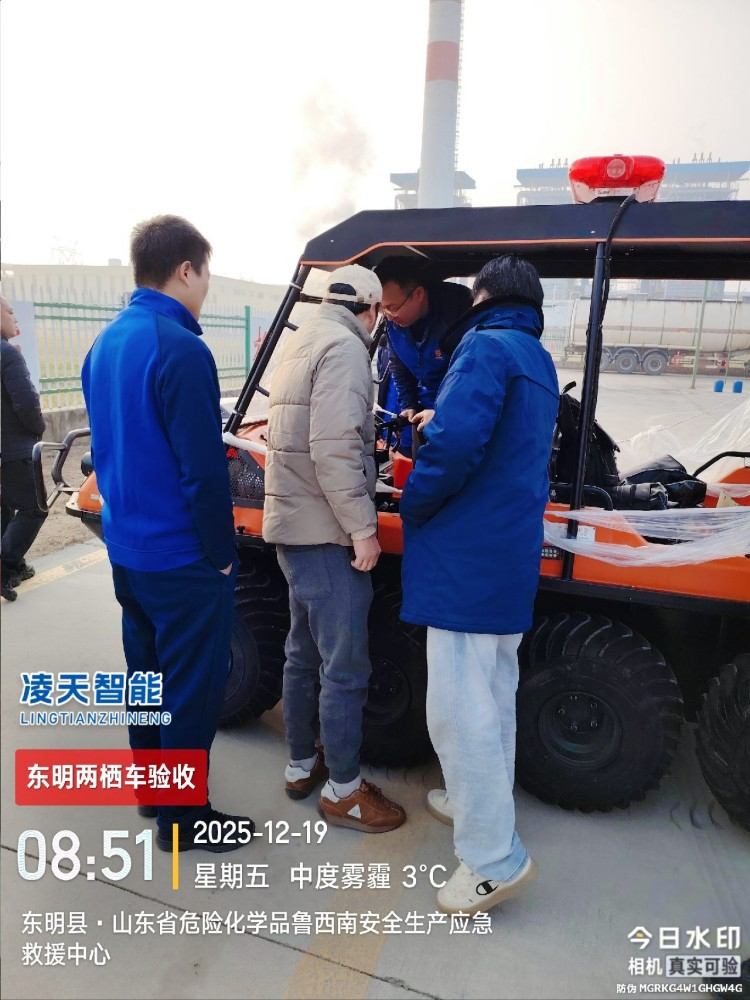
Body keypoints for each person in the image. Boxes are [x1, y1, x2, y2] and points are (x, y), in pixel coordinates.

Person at [81, 215, 251, 853]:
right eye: (205, 273)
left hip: (128, 549)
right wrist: (222, 555)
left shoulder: (105, 343)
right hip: (181, 556)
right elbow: (203, 472)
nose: (206, 286)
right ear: (186, 269)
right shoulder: (180, 348)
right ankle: (184, 819)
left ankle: (153, 792)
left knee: (147, 677)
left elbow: (111, 447)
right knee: (190, 687)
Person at [399, 255, 559, 914]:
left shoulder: (484, 347)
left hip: (466, 559)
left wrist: (413, 502)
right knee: (492, 696)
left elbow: (455, 447)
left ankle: (493, 859)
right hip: (506, 556)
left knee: (459, 710)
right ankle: (475, 803)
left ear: (482, 296)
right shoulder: (535, 357)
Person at [263, 264, 406, 834]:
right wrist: (363, 529)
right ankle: (344, 791)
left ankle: (302, 765)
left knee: (302, 655)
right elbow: (334, 447)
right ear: (369, 309)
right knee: (344, 668)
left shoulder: (300, 341)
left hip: (293, 526)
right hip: (326, 533)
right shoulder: (346, 349)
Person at [375, 257, 472, 439]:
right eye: (382, 309)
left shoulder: (459, 318)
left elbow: (472, 376)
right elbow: (398, 364)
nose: (387, 316)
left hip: (462, 413)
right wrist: (409, 404)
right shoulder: (394, 324)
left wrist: (443, 414)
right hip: (426, 409)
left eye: (392, 307)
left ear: (418, 294)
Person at [1, 295, 47, 602]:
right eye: (9, 312)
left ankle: (14, 565)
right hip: (14, 448)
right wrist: (37, 430)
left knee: (5, 507)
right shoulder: (8, 355)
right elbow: (27, 403)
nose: (14, 317)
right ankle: (5, 564)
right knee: (35, 507)